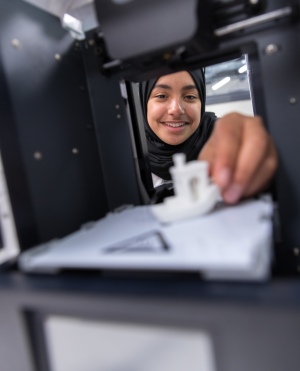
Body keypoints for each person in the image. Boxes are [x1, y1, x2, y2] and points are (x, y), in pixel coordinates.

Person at [139, 69, 278, 204]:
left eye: (189, 97)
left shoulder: (218, 138)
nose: (176, 109)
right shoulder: (128, 156)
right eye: (161, 96)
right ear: (143, 102)